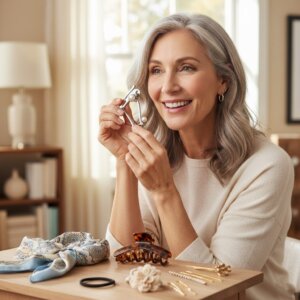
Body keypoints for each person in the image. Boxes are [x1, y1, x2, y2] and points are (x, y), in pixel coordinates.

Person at [98, 13, 295, 299]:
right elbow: (126, 260)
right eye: (156, 71)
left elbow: (217, 290)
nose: (167, 87)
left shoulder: (267, 165)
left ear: (223, 81)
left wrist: (165, 191)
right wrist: (125, 159)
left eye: (186, 68)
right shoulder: (156, 155)